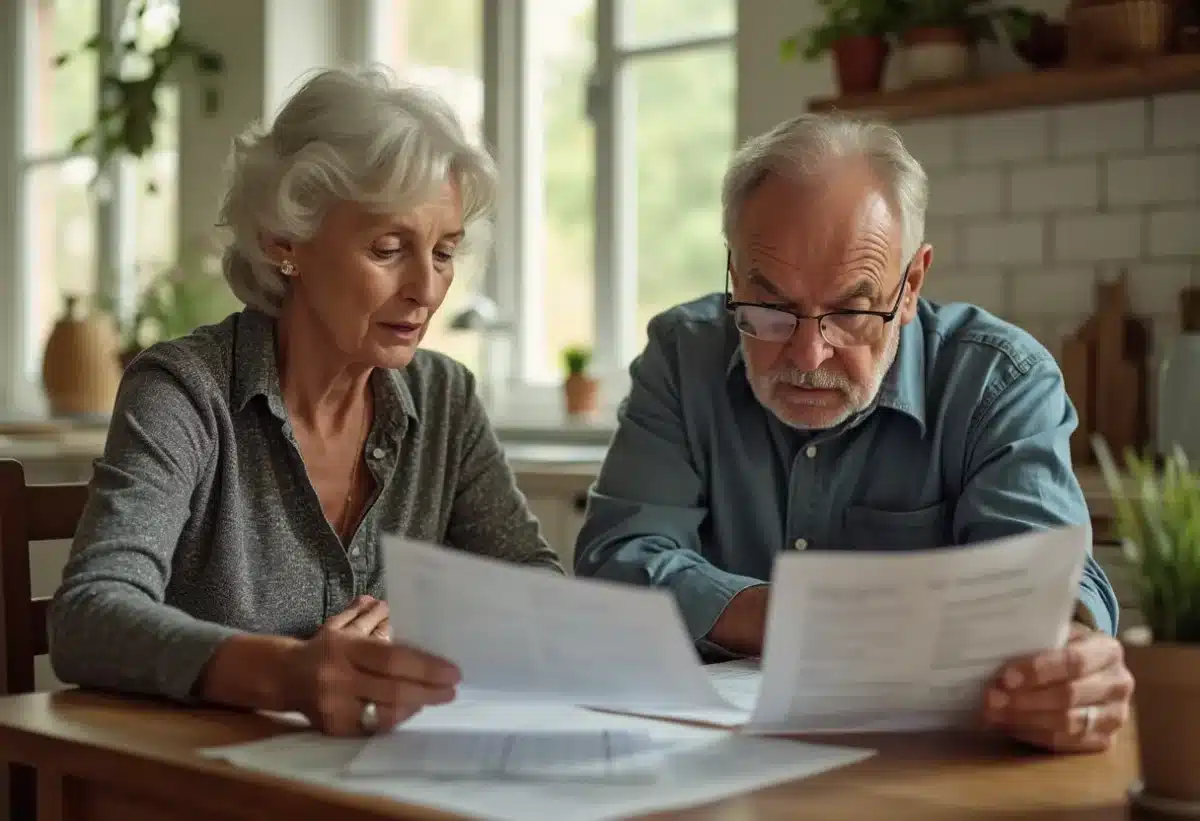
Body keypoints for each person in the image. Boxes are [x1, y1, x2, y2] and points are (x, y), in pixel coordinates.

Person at [573, 114, 1133, 754]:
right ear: (735, 270)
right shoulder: (683, 355)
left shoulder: (998, 382)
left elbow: (1047, 589)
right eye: (772, 309)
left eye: (851, 310)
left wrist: (1073, 655)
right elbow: (616, 561)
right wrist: (818, 623)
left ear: (912, 283)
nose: (809, 356)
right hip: (703, 764)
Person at [49, 67, 562, 737]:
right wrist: (290, 672)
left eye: (443, 252)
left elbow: (538, 592)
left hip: (384, 779)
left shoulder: (446, 398)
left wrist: (431, 627)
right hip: (203, 781)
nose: (426, 289)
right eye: (388, 248)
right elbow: (89, 615)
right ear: (282, 241)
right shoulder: (184, 390)